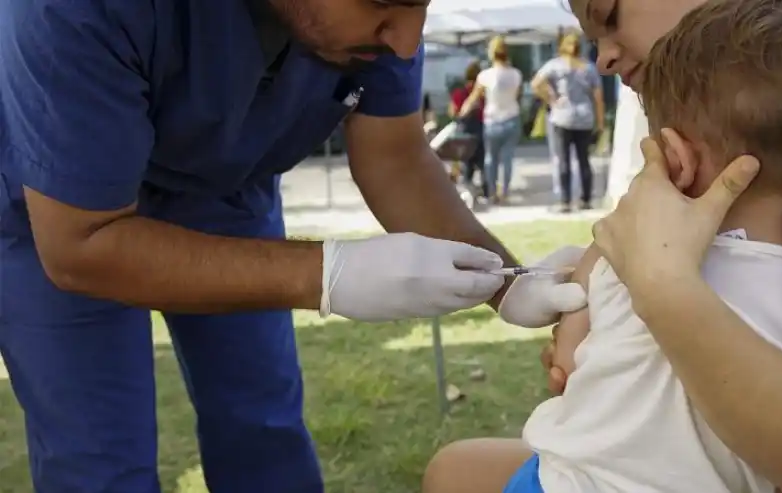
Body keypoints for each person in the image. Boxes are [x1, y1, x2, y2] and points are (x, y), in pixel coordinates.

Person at [0, 0, 578, 491]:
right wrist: (325, 272)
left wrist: (508, 283)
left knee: (263, 425)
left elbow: (396, 158)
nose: (405, 43)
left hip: (226, 189)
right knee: (98, 456)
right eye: (382, 2)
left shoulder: (377, 30)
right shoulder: (70, 9)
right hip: (61, 201)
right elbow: (82, 244)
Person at [422, 0, 782, 492]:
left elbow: (571, 353)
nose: (603, 59)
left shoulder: (629, 253)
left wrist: (638, 290)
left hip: (570, 482)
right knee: (454, 470)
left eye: (610, 15)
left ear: (677, 159)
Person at [531, 33, 605, 212]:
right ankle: (585, 199)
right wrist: (601, 123)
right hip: (584, 117)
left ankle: (565, 201)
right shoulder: (588, 68)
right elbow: (598, 97)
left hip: (562, 116)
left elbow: (535, 84)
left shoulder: (555, 65)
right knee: (584, 160)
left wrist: (551, 99)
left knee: (563, 160)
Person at [459, 35, 523, 205]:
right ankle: (505, 191)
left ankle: (492, 192)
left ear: (491, 53)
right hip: (512, 118)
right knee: (508, 158)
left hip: (492, 120)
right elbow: (517, 96)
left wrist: (463, 111)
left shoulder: (485, 76)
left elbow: (474, 98)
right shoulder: (516, 74)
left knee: (490, 159)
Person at [449, 60, 488, 200]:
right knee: (483, 161)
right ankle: (486, 190)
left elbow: (453, 112)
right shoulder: (482, 93)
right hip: (480, 128)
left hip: (464, 131)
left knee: (467, 161)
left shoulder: (458, 93)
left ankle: (468, 190)